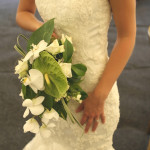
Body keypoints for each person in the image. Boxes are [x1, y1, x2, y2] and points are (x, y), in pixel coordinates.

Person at [16, 0, 136, 149]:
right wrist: (43, 29)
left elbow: (127, 36)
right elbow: (23, 12)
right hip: (53, 84)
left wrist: (99, 95)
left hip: (93, 90)